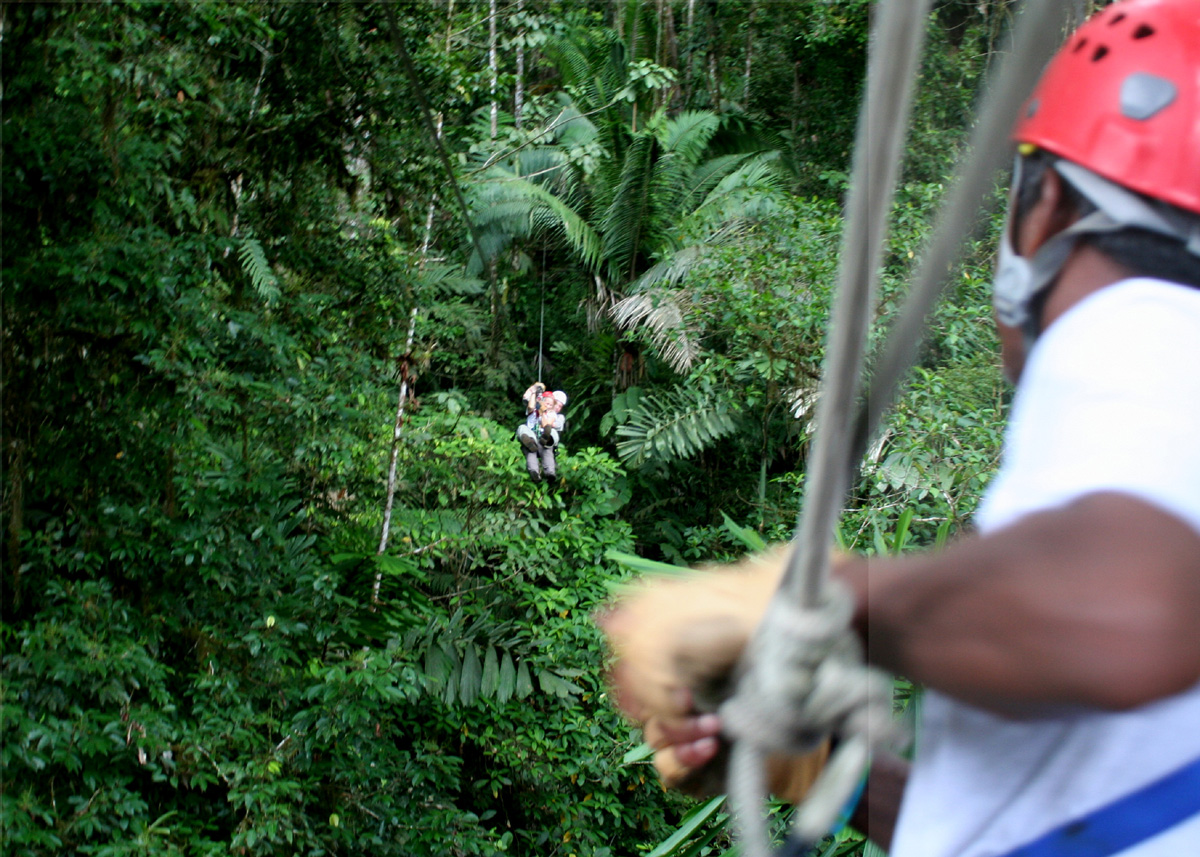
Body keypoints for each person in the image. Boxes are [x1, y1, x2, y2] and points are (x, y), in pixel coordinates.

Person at [601, 2, 1200, 854]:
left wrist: (822, 602)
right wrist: (821, 770)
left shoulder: (1145, 323)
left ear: (1045, 206)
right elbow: (1039, 815)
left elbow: (1129, 611)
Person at [517, 384, 567, 483]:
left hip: (546, 442)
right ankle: (534, 472)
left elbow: (548, 424)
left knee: (548, 445)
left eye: (559, 406)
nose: (557, 407)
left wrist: (544, 412)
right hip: (533, 440)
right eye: (556, 405)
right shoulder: (535, 411)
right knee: (523, 430)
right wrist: (534, 391)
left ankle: (550, 473)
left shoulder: (557, 416)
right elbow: (530, 405)